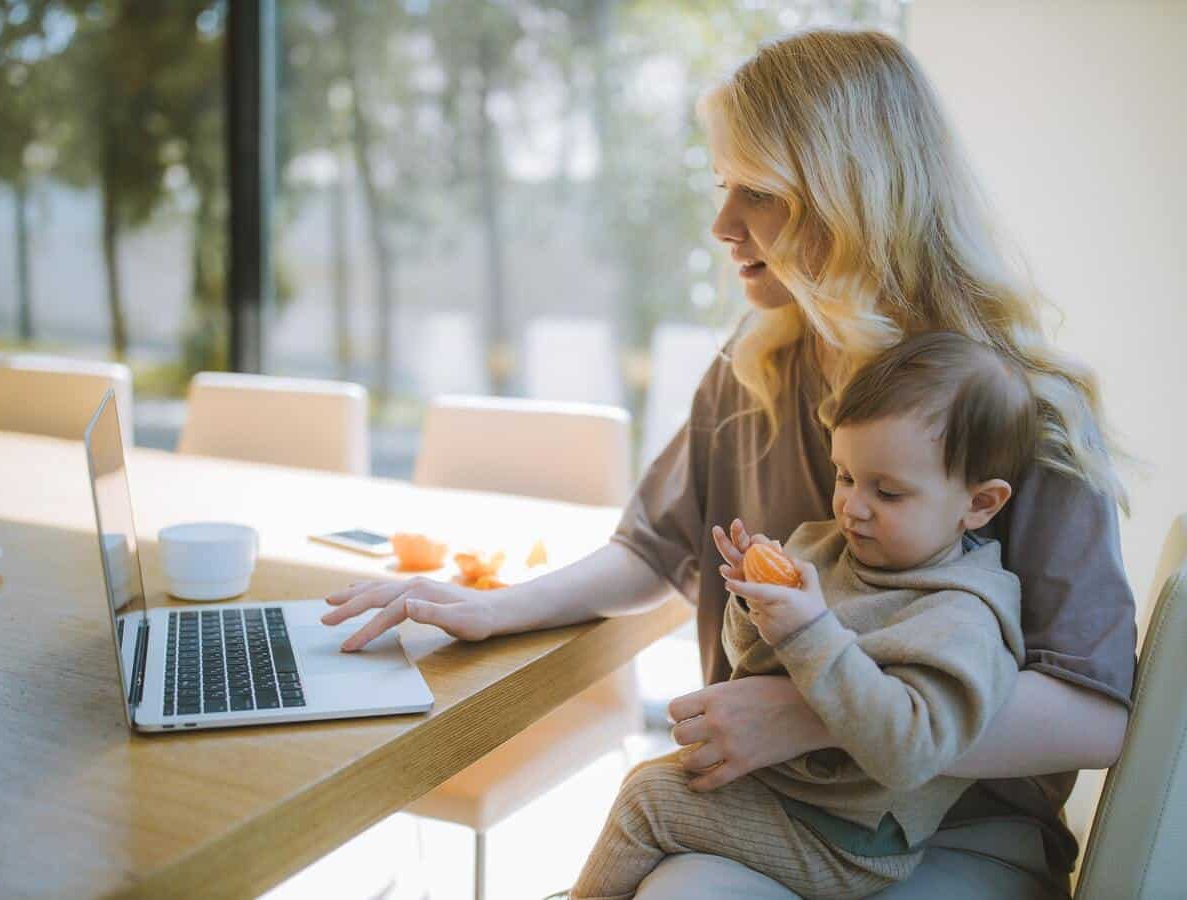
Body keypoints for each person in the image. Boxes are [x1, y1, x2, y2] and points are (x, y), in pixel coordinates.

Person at [321, 29, 1135, 898]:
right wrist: (497, 607)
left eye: (761, 193)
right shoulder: (757, 364)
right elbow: (653, 549)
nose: (722, 226)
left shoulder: (1021, 410)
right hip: (779, 801)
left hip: (958, 832)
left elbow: (1093, 717)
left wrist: (812, 713)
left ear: (852, 196)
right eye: (721, 187)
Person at [569, 331, 1035, 899]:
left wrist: (810, 632)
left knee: (648, 802)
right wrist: (754, 603)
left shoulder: (963, 615)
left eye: (887, 492)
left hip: (848, 840)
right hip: (786, 794)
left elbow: (910, 751)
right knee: (655, 784)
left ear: (980, 504)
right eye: (845, 476)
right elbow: (754, 666)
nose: (851, 507)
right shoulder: (826, 547)